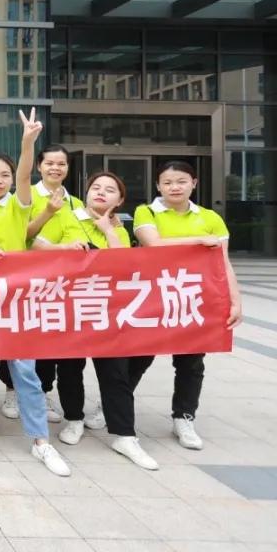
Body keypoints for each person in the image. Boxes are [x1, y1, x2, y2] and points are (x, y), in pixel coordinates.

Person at [0, 109, 71, 477]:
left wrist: (28, 142)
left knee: (25, 370)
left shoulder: (17, 204)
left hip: (15, 300)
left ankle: (41, 440)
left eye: (5, 175)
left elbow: (27, 174)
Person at [33, 171, 158, 469]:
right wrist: (65, 247)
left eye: (110, 190)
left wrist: (107, 230)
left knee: (115, 370)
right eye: (95, 187)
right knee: (70, 367)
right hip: (70, 306)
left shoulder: (118, 228)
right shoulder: (65, 217)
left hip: (108, 311)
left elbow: (126, 263)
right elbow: (37, 247)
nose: (101, 192)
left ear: (120, 200)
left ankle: (124, 435)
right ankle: (74, 418)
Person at [131, 160, 243, 452]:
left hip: (193, 298)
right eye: (167, 182)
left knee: (191, 363)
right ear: (158, 186)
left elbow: (223, 262)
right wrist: (201, 241)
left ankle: (183, 417)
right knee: (138, 358)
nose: (174, 187)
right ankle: (112, 406)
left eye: (181, 181)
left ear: (194, 183)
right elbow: (153, 244)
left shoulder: (210, 217)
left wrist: (235, 300)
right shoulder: (146, 211)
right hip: (152, 296)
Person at [0, 144, 86, 424]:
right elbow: (20, 234)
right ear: (39, 166)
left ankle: (42, 392)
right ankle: (12, 391)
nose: (55, 168)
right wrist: (47, 215)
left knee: (46, 339)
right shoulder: (26, 196)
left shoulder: (75, 203)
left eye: (61, 164)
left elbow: (80, 238)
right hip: (25, 279)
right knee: (17, 336)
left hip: (60, 283)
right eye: (49, 163)